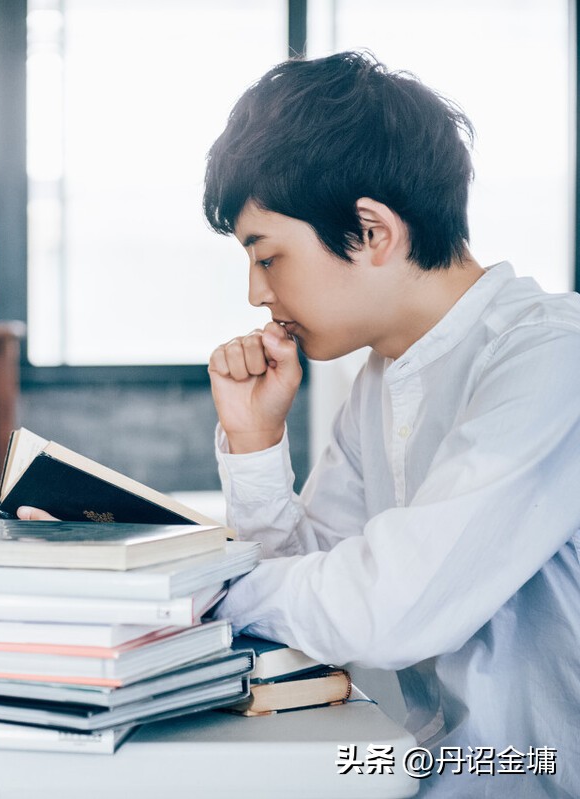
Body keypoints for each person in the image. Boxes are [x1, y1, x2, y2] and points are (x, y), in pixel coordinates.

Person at [199, 51, 580, 796]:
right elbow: (315, 583)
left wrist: (199, 596)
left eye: (268, 256)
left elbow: (385, 611)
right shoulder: (381, 379)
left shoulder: (551, 358)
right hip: (441, 769)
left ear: (371, 231)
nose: (255, 293)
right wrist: (255, 443)